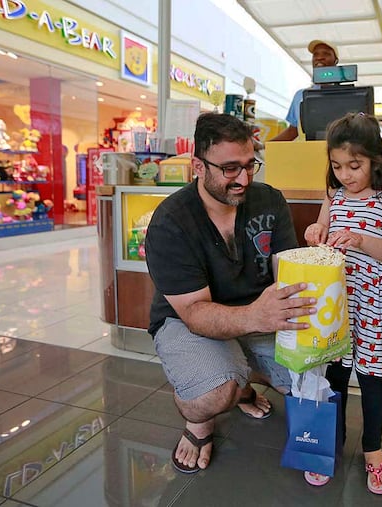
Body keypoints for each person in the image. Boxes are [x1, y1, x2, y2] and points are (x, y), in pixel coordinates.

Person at [144, 112, 317, 474]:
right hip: (188, 321)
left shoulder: (270, 201)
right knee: (211, 393)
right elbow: (194, 312)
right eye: (230, 169)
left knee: (312, 378)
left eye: (250, 165)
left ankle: (241, 379)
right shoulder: (171, 221)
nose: (244, 178)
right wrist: (255, 317)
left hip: (259, 315)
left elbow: (286, 273)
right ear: (197, 165)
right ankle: (200, 424)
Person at [303, 112, 382, 493]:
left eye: (355, 165)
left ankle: (373, 451)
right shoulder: (334, 195)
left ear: (376, 159)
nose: (345, 174)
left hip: (373, 302)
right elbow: (321, 231)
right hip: (337, 299)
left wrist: (362, 240)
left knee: (371, 377)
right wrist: (316, 231)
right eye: (337, 166)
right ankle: (330, 445)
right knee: (335, 377)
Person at [269, 40, 339, 142]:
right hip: (308, 154)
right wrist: (264, 146)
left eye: (326, 54)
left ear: (336, 61)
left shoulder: (349, 94)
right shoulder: (300, 95)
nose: (319, 57)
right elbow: (292, 132)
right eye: (315, 54)